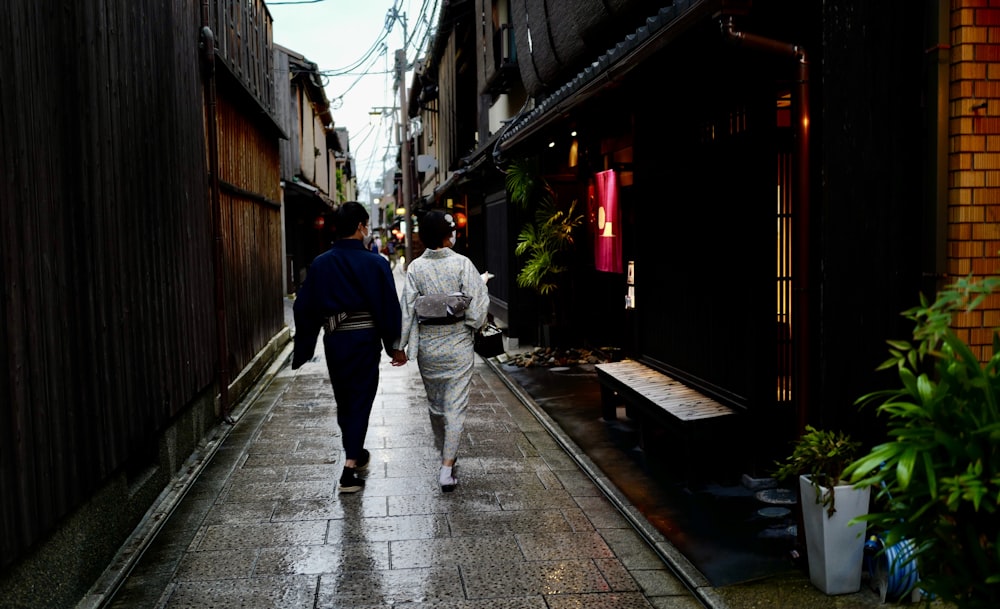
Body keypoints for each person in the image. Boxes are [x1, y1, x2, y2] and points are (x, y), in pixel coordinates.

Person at [292, 201, 407, 493]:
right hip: (364, 341)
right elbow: (388, 308)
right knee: (361, 399)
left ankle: (354, 450)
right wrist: (394, 345)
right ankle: (349, 468)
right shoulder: (376, 263)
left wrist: (305, 344)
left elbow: (303, 307)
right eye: (366, 224)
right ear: (360, 226)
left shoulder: (320, 264)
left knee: (344, 400)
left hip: (336, 341)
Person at [393, 210, 489, 492]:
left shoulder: (415, 268)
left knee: (436, 407)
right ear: (448, 235)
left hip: (429, 347)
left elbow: (408, 309)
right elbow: (477, 307)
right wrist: (470, 322)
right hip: (458, 342)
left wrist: (401, 347)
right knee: (455, 407)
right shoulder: (463, 264)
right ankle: (447, 467)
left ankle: (445, 452)